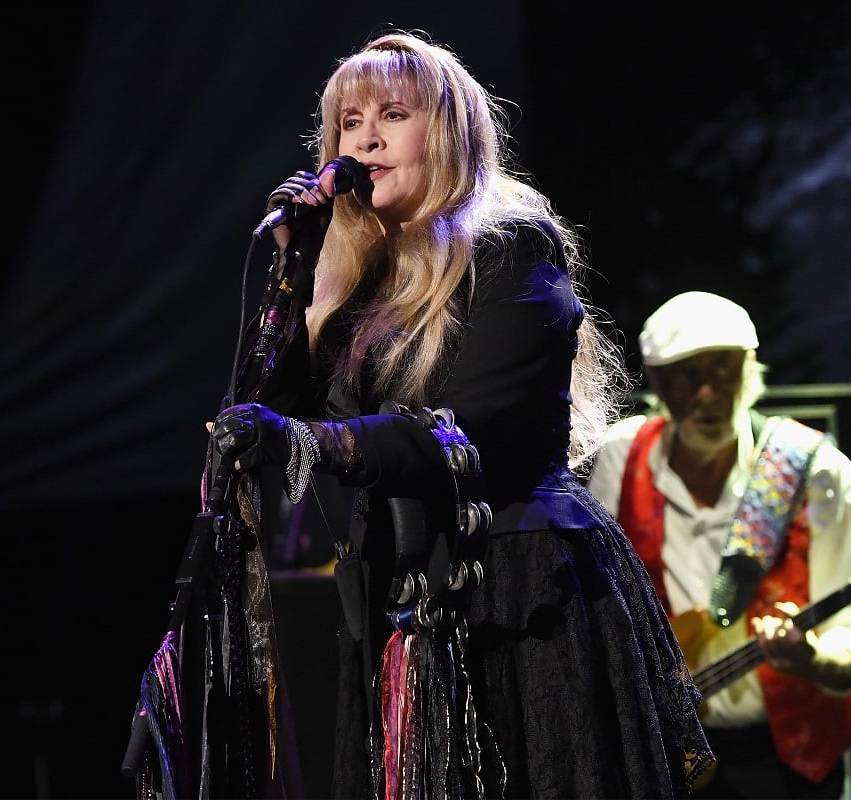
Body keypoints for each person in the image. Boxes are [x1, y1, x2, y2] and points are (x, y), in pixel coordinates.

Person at [206, 30, 714, 800]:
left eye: (392, 115)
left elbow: (471, 429)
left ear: (446, 133)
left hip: (517, 589)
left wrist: (313, 441)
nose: (365, 138)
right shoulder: (352, 281)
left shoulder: (511, 248)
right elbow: (266, 417)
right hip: (394, 600)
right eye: (348, 122)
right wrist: (293, 275)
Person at [585, 291, 851, 799]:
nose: (707, 393)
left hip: (787, 756)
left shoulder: (812, 468)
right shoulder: (621, 454)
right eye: (687, 374)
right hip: (666, 753)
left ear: (751, 370)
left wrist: (816, 661)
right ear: (656, 379)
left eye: (723, 370)